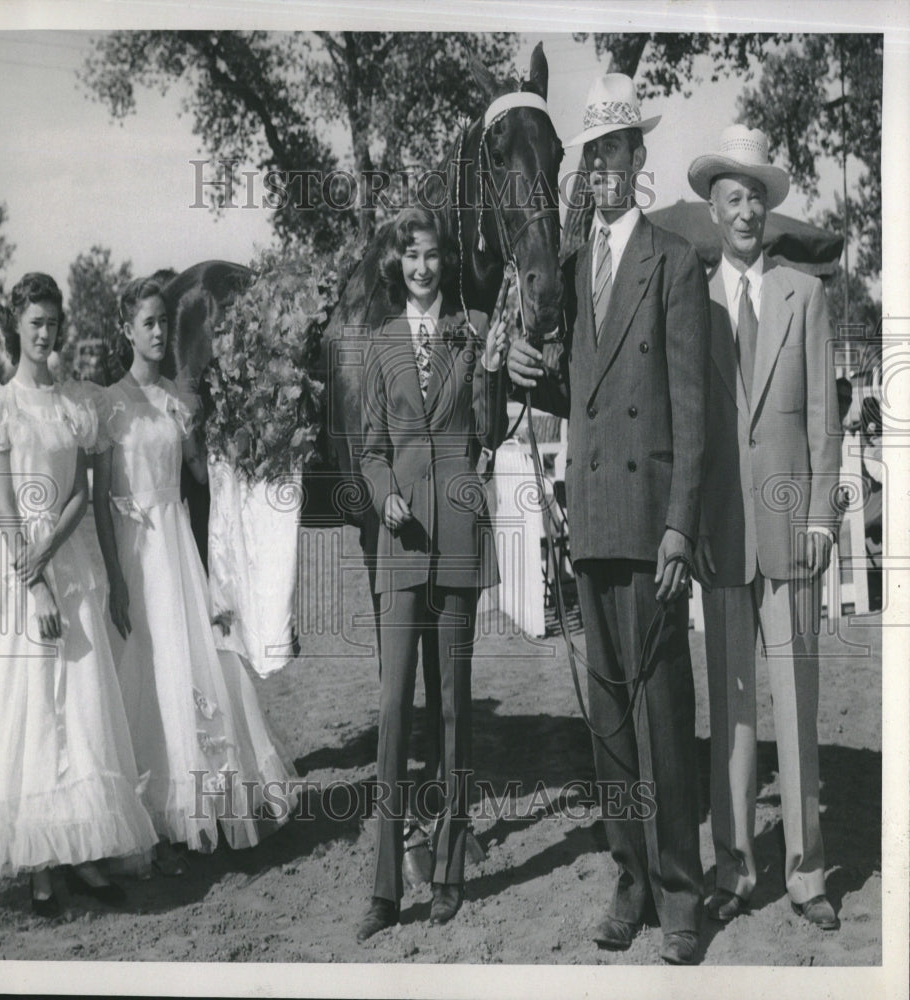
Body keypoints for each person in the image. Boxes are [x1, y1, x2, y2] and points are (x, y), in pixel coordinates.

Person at [507, 74, 709, 964]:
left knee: (663, 711)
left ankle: (680, 891)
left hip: (649, 524)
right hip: (590, 521)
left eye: (615, 155)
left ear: (638, 161)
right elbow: (581, 390)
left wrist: (678, 526)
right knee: (611, 724)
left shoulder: (672, 260)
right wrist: (524, 369)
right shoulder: (581, 263)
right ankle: (629, 874)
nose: (601, 174)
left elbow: (693, 410)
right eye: (590, 162)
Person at [0, 273, 158, 914]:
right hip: (18, 565)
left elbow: (82, 494)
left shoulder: (73, 405)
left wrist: (53, 552)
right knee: (32, 709)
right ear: (15, 325)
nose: (45, 334)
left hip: (69, 557)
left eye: (53, 323)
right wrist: (31, 578)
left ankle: (80, 853)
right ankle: (39, 865)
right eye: (35, 323)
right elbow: (3, 498)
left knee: (82, 708)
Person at [688, 125, 842, 930]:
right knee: (732, 708)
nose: (746, 212)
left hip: (791, 534)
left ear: (768, 209)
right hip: (721, 534)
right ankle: (735, 867)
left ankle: (808, 872)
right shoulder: (693, 299)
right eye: (733, 198)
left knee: (796, 706)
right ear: (713, 210)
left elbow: (825, 419)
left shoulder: (805, 296)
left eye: (756, 198)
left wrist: (820, 515)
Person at [90, 277, 297, 873]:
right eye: (147, 323)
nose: (158, 333)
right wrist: (117, 578)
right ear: (126, 329)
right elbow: (103, 499)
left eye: (163, 323)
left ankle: (195, 814)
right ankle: (147, 819)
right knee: (144, 673)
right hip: (133, 551)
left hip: (177, 548)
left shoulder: (178, 403)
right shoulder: (109, 405)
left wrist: (250, 434)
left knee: (190, 668)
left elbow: (204, 481)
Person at [356, 207, 508, 940]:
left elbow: (493, 426)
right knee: (393, 713)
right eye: (410, 256)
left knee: (453, 708)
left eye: (431, 256)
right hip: (399, 541)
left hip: (459, 531)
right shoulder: (379, 342)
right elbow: (370, 446)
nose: (422, 267)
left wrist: (498, 368)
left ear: (445, 262)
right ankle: (385, 888)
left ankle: (448, 870)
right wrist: (384, 496)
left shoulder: (474, 330)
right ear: (397, 263)